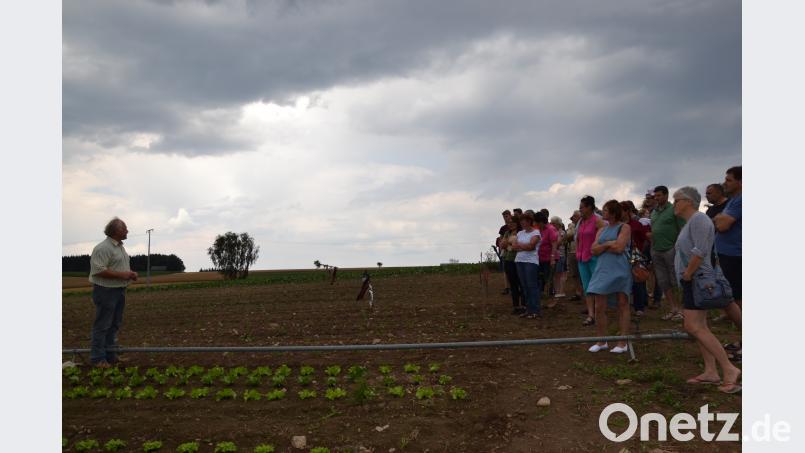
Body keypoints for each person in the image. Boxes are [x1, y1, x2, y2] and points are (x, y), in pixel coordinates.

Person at [672, 187, 741, 393]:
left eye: (677, 200)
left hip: (697, 278)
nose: (674, 204)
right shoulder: (691, 222)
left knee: (693, 326)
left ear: (688, 201)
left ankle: (729, 369)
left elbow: (700, 250)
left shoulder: (699, 219)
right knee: (700, 326)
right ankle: (711, 371)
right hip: (694, 279)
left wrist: (688, 273)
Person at [89, 218, 139, 367]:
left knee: (114, 324)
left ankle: (111, 356)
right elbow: (98, 270)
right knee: (103, 325)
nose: (127, 231)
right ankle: (98, 359)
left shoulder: (119, 247)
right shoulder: (103, 248)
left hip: (118, 290)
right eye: (125, 228)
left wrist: (129, 273)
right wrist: (123, 275)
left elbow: (116, 267)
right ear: (116, 231)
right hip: (106, 291)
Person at [586, 200, 633, 353]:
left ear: (613, 212)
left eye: (605, 210)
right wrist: (607, 244)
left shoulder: (624, 227)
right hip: (602, 269)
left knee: (622, 304)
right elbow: (593, 250)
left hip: (620, 269)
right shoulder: (602, 229)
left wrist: (603, 246)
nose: (603, 213)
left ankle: (622, 342)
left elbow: (619, 248)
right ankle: (601, 341)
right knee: (599, 306)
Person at [713, 166, 743, 357]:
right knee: (735, 300)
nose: (725, 183)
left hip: (736, 256)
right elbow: (720, 221)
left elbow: (722, 225)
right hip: (729, 255)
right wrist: (720, 218)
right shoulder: (733, 200)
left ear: (741, 182)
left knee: (738, 301)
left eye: (729, 180)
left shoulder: (741, 200)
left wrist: (719, 218)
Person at [648, 185, 685, 321]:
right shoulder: (654, 211)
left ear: (666, 195)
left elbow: (682, 228)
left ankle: (681, 309)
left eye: (659, 195)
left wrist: (678, 246)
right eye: (655, 196)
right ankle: (673, 308)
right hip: (656, 249)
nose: (656, 198)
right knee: (663, 281)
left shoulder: (674, 209)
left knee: (675, 280)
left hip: (671, 249)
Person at [576, 196, 606, 326]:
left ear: (589, 207)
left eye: (582, 207)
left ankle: (600, 312)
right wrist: (578, 252)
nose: (580, 210)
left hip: (594, 258)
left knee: (597, 286)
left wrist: (598, 249)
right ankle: (591, 315)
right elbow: (578, 238)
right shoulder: (581, 222)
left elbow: (605, 237)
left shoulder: (598, 221)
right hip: (581, 258)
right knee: (586, 286)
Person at [621, 200, 649, 316]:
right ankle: (626, 305)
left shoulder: (636, 224)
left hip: (635, 255)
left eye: (621, 210)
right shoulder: (618, 225)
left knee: (638, 280)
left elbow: (645, 238)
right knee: (624, 280)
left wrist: (641, 251)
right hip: (622, 255)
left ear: (627, 211)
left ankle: (639, 307)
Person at [512, 212, 542, 319]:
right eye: (521, 221)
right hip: (519, 261)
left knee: (532, 286)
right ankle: (529, 309)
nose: (522, 223)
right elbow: (514, 247)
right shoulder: (520, 233)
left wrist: (520, 246)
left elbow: (531, 246)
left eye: (523, 221)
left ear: (529, 221)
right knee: (524, 286)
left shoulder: (536, 233)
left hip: (531, 262)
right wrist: (524, 246)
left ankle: (535, 310)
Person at [499, 215, 525, 314]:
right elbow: (502, 245)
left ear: (517, 223)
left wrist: (509, 244)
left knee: (521, 283)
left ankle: (524, 305)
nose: (510, 224)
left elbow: (516, 246)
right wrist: (510, 244)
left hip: (519, 260)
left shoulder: (521, 232)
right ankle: (516, 306)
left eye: (512, 222)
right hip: (508, 260)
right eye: (509, 223)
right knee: (513, 284)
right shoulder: (507, 233)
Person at [535, 211, 558, 299]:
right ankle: (542, 294)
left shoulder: (550, 229)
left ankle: (550, 296)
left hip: (549, 258)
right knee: (541, 277)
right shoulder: (538, 230)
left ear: (541, 221)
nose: (536, 224)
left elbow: (554, 244)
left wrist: (552, 258)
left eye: (537, 223)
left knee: (548, 278)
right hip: (540, 258)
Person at [565, 211, 583, 301]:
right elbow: (567, 236)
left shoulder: (583, 225)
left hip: (582, 251)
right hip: (572, 251)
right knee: (574, 274)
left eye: (575, 217)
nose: (573, 219)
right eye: (573, 217)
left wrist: (572, 236)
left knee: (583, 273)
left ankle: (585, 292)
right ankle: (578, 292)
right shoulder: (571, 226)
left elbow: (571, 236)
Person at [550, 216, 568, 301]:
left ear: (558, 224)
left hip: (560, 255)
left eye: (553, 223)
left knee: (559, 274)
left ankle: (560, 291)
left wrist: (551, 244)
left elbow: (557, 243)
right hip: (555, 255)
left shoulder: (561, 232)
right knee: (555, 275)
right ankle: (557, 291)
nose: (552, 225)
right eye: (551, 223)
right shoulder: (555, 232)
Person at [497, 210, 513, 295]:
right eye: (504, 217)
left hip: (512, 250)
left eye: (506, 216)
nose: (505, 218)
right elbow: (500, 239)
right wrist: (501, 250)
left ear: (510, 215)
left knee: (512, 270)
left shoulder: (514, 226)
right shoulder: (503, 228)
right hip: (505, 251)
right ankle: (506, 287)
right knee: (505, 270)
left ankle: (512, 287)